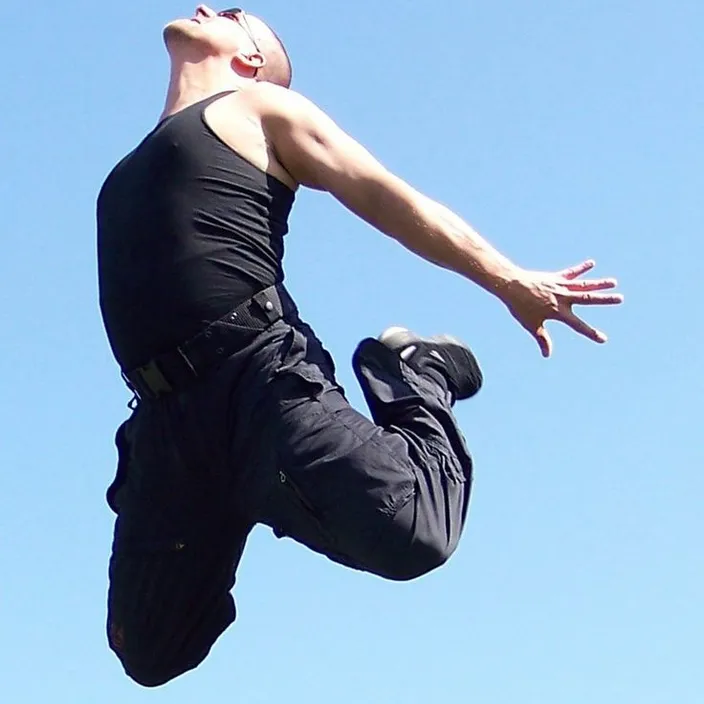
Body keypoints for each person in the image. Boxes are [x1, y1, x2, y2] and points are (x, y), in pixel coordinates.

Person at [97, 5, 623, 688]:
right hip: (166, 427)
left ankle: (414, 373)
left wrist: (509, 279)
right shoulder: (122, 172)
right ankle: (248, 498)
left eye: (232, 14)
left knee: (414, 532)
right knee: (150, 651)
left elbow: (386, 195)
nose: (207, 6)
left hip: (257, 379)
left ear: (253, 61)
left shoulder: (259, 110)